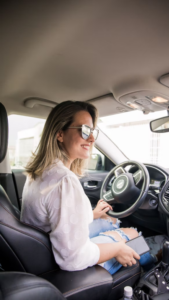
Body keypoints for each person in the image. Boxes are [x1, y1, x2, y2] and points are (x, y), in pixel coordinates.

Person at [21, 100, 156, 275]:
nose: (92, 139)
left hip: (45, 249)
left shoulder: (39, 171)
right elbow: (73, 258)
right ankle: (154, 270)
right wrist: (116, 249)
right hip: (61, 261)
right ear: (59, 134)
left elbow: (55, 217)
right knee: (132, 235)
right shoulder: (64, 181)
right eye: (84, 131)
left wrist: (92, 214)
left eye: (92, 132)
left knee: (110, 220)